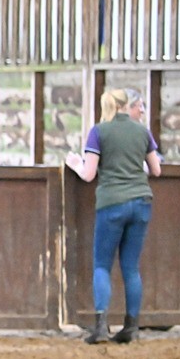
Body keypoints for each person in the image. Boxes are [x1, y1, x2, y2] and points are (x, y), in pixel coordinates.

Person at [66, 88, 161, 344]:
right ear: (126, 106)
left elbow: (88, 174)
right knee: (131, 267)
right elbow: (156, 169)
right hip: (141, 202)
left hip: (112, 203)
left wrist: (74, 163)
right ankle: (131, 326)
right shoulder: (142, 131)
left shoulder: (99, 131)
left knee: (102, 265)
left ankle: (100, 327)